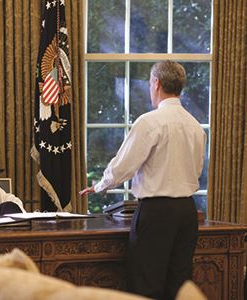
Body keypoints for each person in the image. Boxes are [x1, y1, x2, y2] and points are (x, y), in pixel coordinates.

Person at [79, 61, 206, 300]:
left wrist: (100, 185)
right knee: (180, 287)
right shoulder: (196, 127)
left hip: (156, 213)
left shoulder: (149, 122)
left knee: (146, 286)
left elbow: (125, 165)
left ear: (156, 83)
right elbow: (196, 169)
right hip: (188, 212)